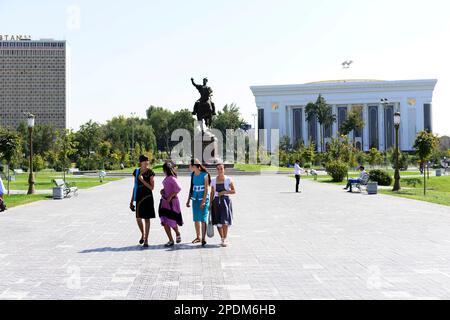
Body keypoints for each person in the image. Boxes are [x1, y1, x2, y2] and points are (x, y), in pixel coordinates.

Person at [129, 155, 156, 248]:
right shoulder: (136, 172)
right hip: (139, 197)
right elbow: (135, 186)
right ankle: (143, 234)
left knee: (147, 219)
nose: (147, 162)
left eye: (147, 161)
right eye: (145, 161)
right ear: (141, 162)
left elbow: (152, 188)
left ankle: (146, 239)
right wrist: (131, 200)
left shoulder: (150, 172)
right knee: (138, 218)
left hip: (147, 197)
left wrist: (142, 180)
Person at [210, 163, 235, 247]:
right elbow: (212, 192)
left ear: (224, 169)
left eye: (221, 168)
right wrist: (210, 204)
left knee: (225, 221)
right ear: (216, 170)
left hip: (225, 201)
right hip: (216, 201)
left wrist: (224, 192)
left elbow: (234, 191)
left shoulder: (228, 179)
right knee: (218, 221)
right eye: (218, 169)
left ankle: (225, 238)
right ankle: (222, 238)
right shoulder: (213, 180)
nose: (220, 170)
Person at [159, 162, 183, 247]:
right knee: (165, 221)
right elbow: (168, 188)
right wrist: (163, 190)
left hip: (172, 202)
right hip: (164, 202)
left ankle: (177, 233)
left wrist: (170, 196)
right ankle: (170, 240)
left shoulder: (172, 178)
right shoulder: (167, 178)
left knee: (172, 221)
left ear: (166, 169)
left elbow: (179, 188)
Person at [187, 159, 211, 247]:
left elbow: (207, 189)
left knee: (203, 218)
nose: (189, 167)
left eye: (190, 165)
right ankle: (198, 237)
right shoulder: (192, 174)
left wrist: (204, 202)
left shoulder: (205, 175)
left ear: (195, 166)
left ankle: (203, 239)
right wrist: (188, 200)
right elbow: (191, 187)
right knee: (196, 218)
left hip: (203, 199)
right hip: (195, 199)